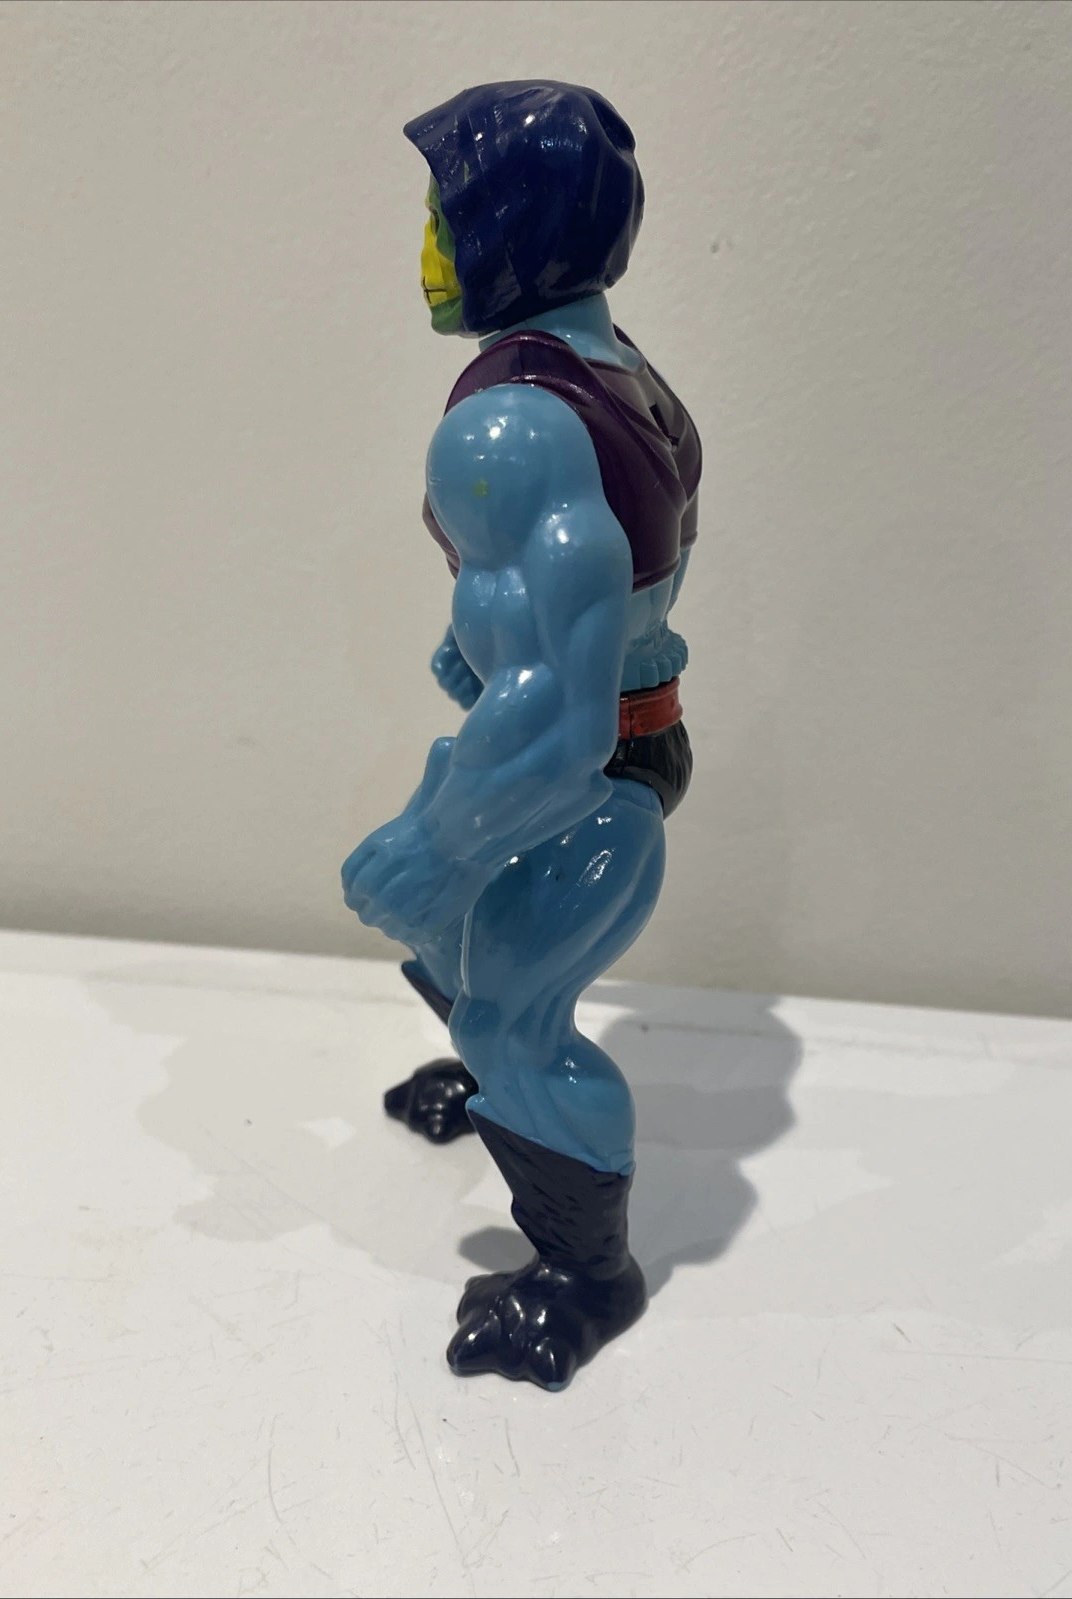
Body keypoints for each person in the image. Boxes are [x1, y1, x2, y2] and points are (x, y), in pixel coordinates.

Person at [342, 81, 701, 1390]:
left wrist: (438, 844)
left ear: (511, 227)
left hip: (592, 773)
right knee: (452, 943)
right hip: (617, 728)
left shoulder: (510, 422)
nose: (428, 247)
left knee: (510, 1017)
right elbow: (614, 581)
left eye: (447, 214)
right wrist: (488, 654)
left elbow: (558, 702)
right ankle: (492, 1069)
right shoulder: (616, 366)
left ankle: (584, 1275)